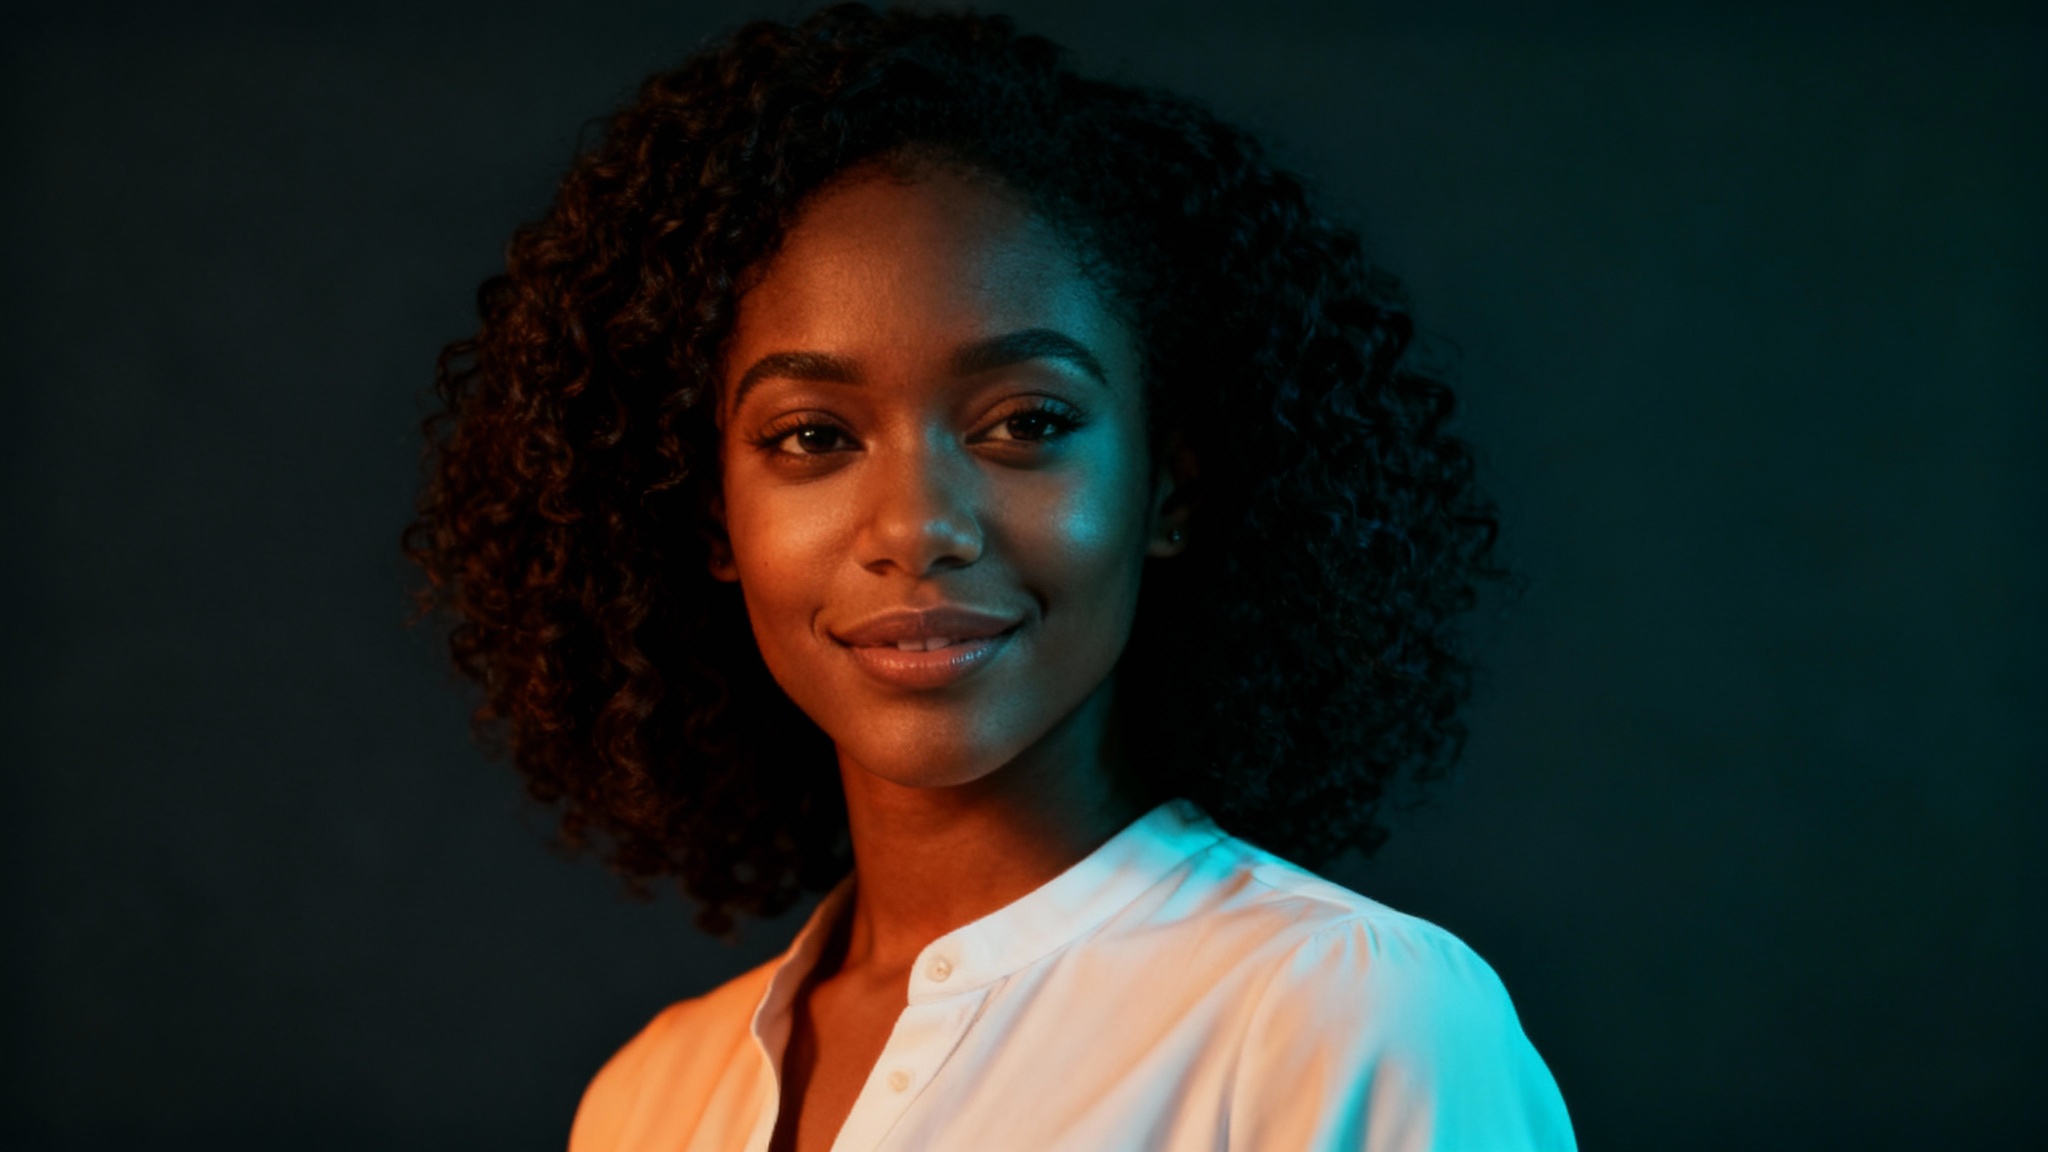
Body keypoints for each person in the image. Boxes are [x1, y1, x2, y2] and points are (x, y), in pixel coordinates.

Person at [407, 5, 1574, 1149]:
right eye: (811, 437)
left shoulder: (1342, 1021)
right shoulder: (648, 1102)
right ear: (714, 515)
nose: (917, 528)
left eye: (1024, 421)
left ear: (1166, 490)